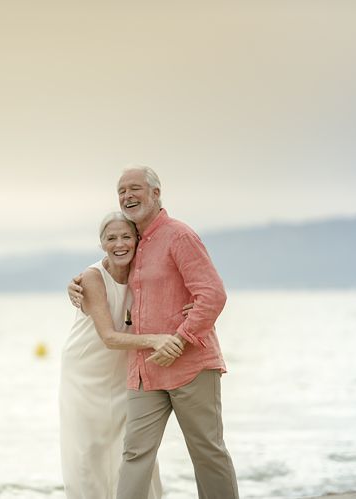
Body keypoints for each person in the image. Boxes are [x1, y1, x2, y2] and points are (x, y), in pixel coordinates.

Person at [68, 166, 239, 499]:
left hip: (191, 366)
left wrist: (181, 338)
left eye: (135, 188)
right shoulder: (135, 241)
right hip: (145, 371)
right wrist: (75, 285)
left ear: (156, 193)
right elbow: (108, 266)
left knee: (207, 452)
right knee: (135, 454)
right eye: (121, 191)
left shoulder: (179, 235)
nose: (127, 196)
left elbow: (213, 294)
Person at [60, 211, 187, 499]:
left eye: (126, 236)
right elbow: (108, 337)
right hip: (85, 372)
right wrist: (156, 340)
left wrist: (189, 306)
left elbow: (171, 293)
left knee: (131, 446)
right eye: (111, 238)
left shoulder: (143, 273)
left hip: (123, 370)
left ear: (137, 240)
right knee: (88, 448)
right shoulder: (92, 278)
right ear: (102, 244)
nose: (119, 244)